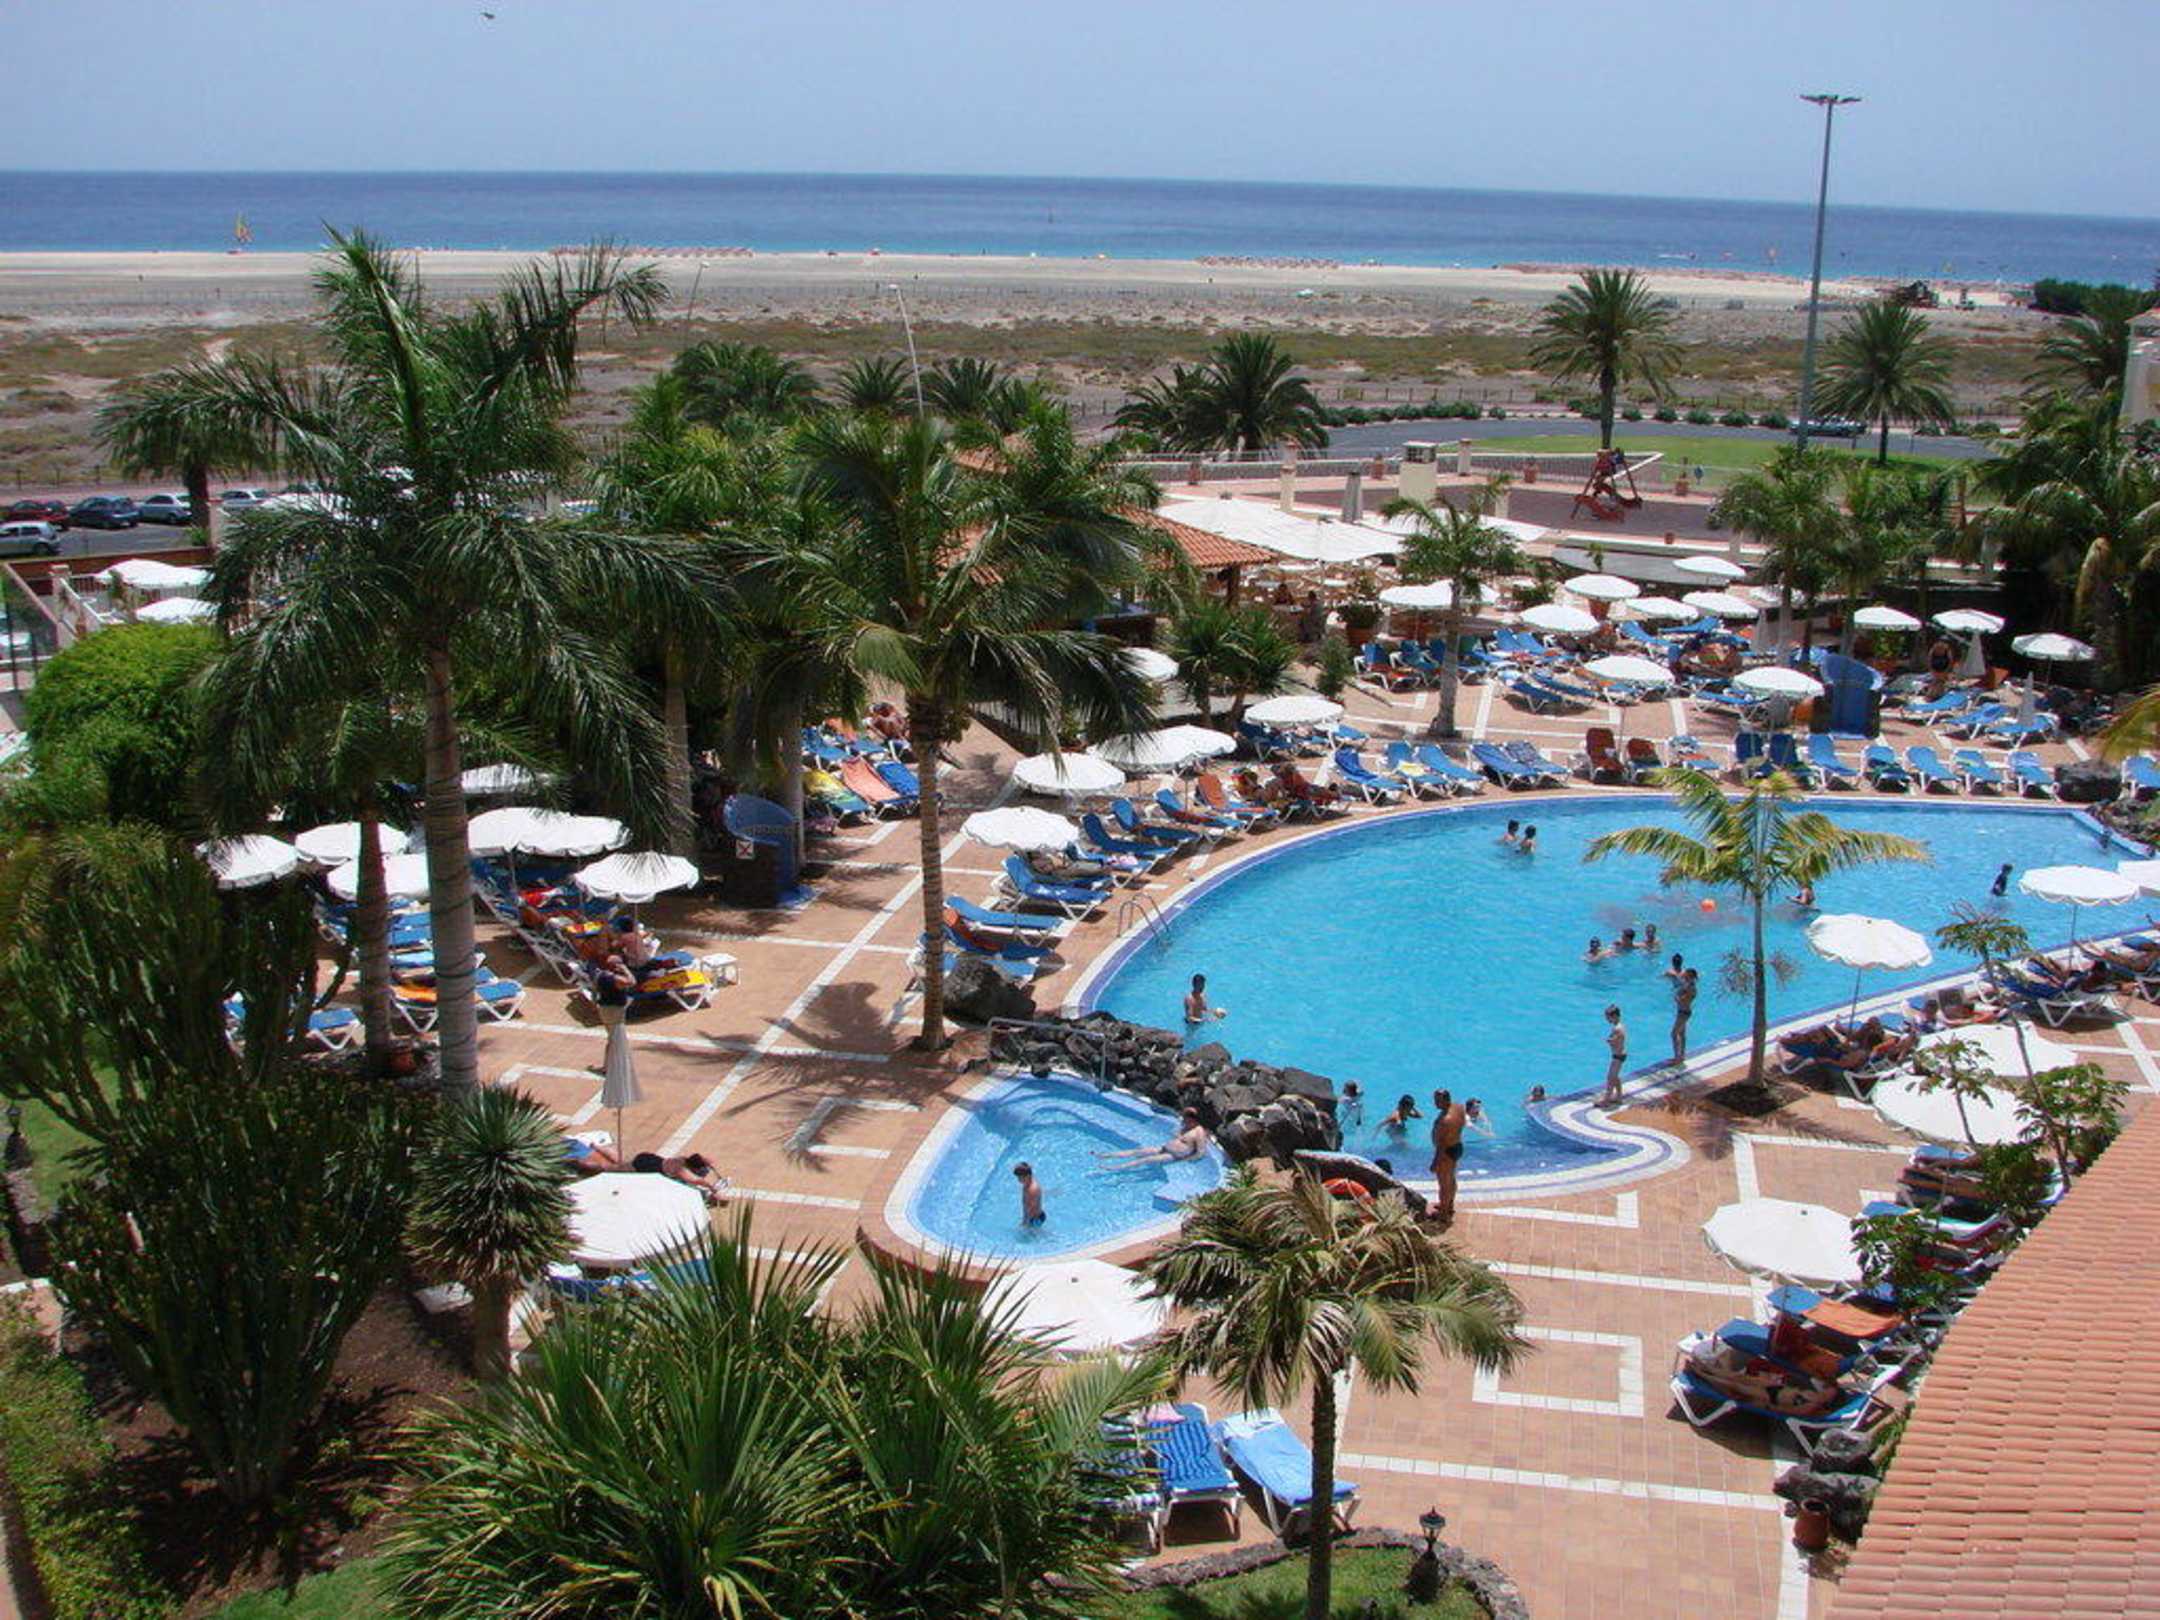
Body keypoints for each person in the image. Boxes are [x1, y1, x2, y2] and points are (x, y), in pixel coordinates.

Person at [1100, 1108, 1213, 1166]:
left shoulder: (1199, 1132)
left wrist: (1185, 1160)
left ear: (1194, 1120)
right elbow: (1175, 1134)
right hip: (1164, 1148)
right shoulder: (1185, 1126)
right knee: (1137, 1151)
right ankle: (1106, 1155)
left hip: (1173, 1156)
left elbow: (1200, 1153)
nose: (1184, 1121)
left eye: (1186, 1119)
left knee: (1146, 1160)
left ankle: (1118, 1167)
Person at [1429, 1089, 1469, 1223]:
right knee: (1451, 1179)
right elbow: (1463, 1122)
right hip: (1457, 1146)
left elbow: (1441, 1146)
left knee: (1444, 1185)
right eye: (1435, 1099)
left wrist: (1435, 1162)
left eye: (1438, 1101)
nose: (1435, 1103)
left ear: (1446, 1100)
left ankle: (1443, 1214)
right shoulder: (1459, 1107)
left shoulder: (1445, 1121)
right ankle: (1449, 1205)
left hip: (1446, 1153)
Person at [1670, 966, 1699, 1066]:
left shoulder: (1691, 988)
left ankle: (1677, 1057)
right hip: (1682, 1011)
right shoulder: (1688, 985)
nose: (1684, 975)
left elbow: (1684, 1000)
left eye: (1686, 974)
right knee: (1682, 1034)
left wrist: (1676, 998)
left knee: (1674, 1034)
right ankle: (1681, 1055)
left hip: (1684, 1013)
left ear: (1689, 976)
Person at [1600, 1004, 1628, 1106]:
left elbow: (1615, 1040)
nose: (1607, 1020)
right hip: (1621, 1054)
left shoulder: (1617, 1029)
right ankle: (1619, 1097)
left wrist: (1609, 1040)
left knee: (1610, 1078)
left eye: (1608, 1018)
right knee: (1615, 1077)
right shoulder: (1621, 1026)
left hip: (1617, 1056)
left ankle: (1606, 1100)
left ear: (1614, 1016)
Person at [1013, 1161, 1045, 1226]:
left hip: (1035, 1219)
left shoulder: (1032, 1189)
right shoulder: (1027, 1183)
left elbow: (1030, 1209)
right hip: (1035, 1215)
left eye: (1020, 1178)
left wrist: (1025, 1223)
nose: (1019, 1180)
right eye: (1018, 1177)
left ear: (1027, 1176)